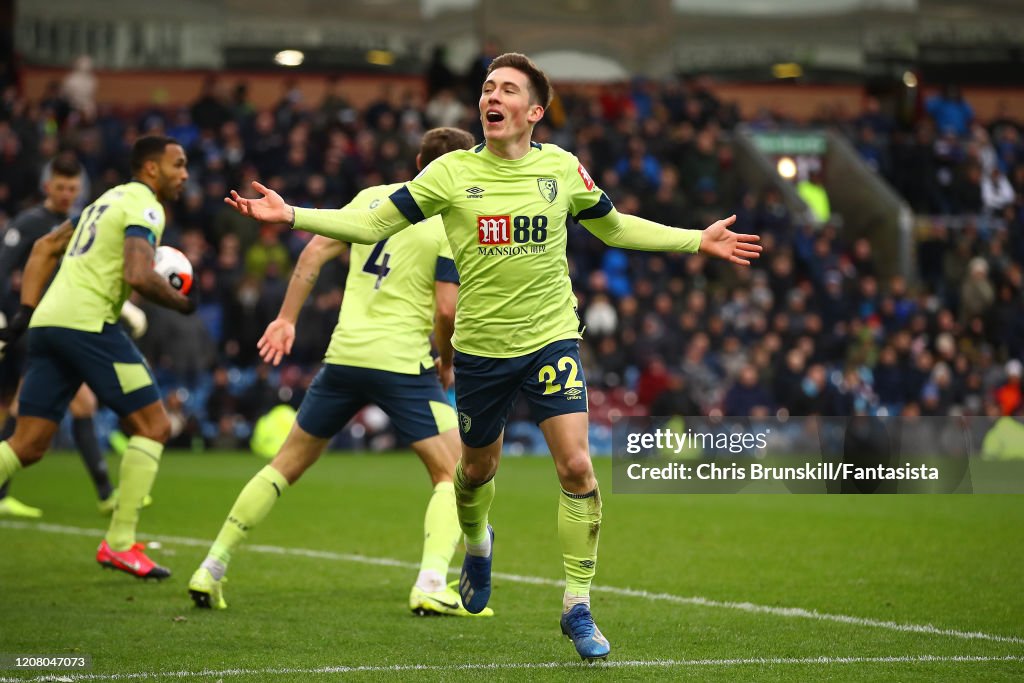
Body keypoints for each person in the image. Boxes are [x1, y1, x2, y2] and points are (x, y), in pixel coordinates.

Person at [226, 53, 762, 661]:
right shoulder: (450, 174)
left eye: (507, 88)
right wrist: (290, 214)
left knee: (578, 468)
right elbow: (372, 223)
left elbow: (613, 229)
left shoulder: (561, 169)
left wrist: (697, 239)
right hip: (480, 352)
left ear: (534, 111)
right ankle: (477, 543)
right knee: (475, 473)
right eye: (487, 87)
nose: (492, 96)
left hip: (550, 340)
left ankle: (577, 606)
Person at [187, 127, 490, 618]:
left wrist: (286, 318)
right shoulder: (449, 221)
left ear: (417, 160)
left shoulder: (373, 198)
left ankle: (211, 566)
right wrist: (448, 359)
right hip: (401, 364)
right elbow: (449, 309)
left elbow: (313, 252)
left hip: (344, 357)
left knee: (284, 464)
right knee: (453, 473)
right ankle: (432, 582)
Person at [0, 135, 194, 579]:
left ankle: (119, 536)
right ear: (150, 169)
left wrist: (25, 314)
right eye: (177, 165)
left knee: (26, 446)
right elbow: (138, 275)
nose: (184, 174)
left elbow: (43, 249)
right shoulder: (145, 206)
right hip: (86, 325)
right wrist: (185, 303)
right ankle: (120, 543)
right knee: (155, 426)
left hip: (49, 325)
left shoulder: (103, 203)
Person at [0, 156, 149, 518]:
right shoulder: (31, 223)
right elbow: (3, 268)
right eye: (60, 187)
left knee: (73, 405)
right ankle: (104, 495)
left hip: (59, 324)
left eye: (72, 188)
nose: (67, 194)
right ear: (47, 186)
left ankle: (103, 494)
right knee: (15, 409)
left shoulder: (83, 224)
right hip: (29, 323)